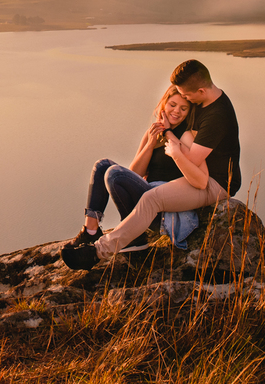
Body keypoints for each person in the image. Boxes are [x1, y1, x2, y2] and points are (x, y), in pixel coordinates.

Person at [61, 59, 241, 270]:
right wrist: (155, 139)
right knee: (106, 168)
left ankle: (97, 252)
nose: (182, 102)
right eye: (174, 102)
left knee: (147, 196)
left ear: (200, 91)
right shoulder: (203, 104)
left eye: (186, 99)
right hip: (193, 176)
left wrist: (170, 139)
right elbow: (136, 172)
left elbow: (198, 175)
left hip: (217, 183)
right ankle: (90, 232)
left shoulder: (214, 116)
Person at [67, 85, 195, 249]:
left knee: (114, 174)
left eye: (183, 108)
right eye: (172, 105)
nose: (177, 111)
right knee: (103, 166)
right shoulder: (153, 131)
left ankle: (133, 234)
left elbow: (190, 165)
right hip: (146, 198)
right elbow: (134, 173)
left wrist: (169, 132)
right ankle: (90, 231)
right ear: (164, 105)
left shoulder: (186, 135)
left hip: (163, 207)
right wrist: (150, 144)